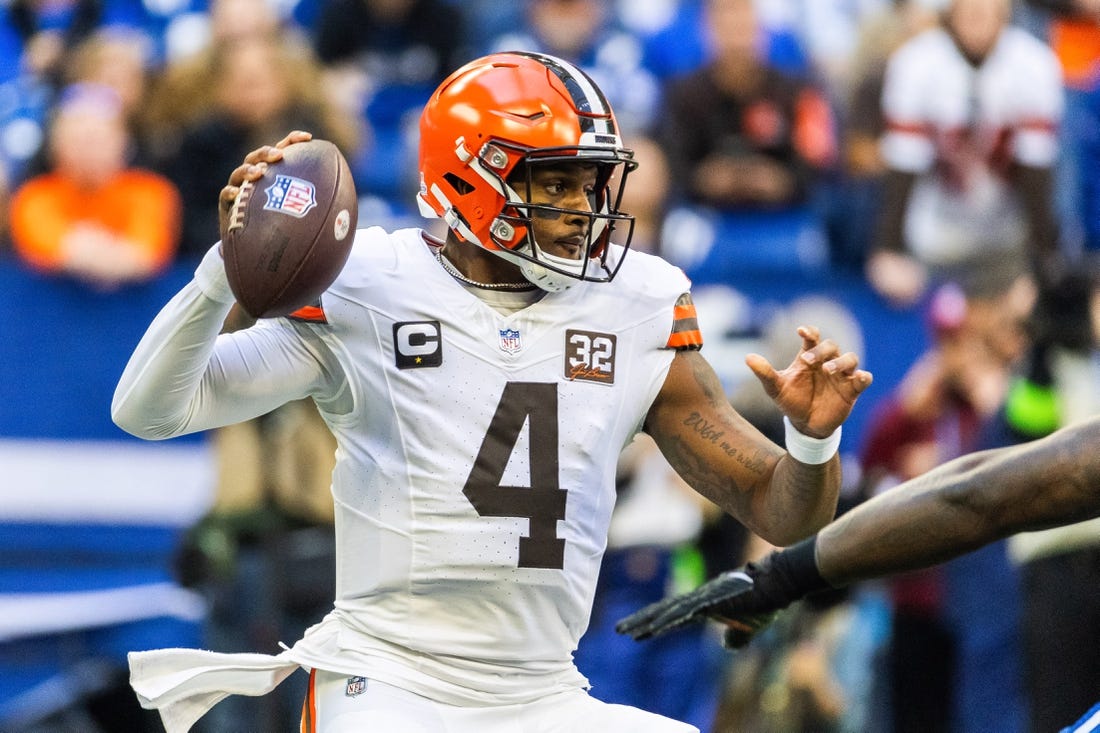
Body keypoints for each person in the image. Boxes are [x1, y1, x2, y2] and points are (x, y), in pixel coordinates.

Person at [111, 51, 872, 733]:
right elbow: (150, 409)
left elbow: (780, 507)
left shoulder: (637, 303)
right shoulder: (371, 284)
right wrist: (224, 267)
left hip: (543, 691)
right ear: (468, 177)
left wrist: (812, 439)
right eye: (555, 180)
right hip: (388, 679)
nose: (581, 207)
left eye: (589, 180)